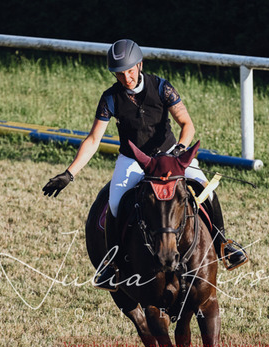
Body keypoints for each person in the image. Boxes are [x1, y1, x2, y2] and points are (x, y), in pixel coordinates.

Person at [42, 39, 247, 288]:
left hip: (170, 154)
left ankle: (224, 244)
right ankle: (112, 264)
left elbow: (187, 124)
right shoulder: (110, 98)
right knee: (115, 203)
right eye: (119, 73)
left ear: (139, 65)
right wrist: (69, 173)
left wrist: (180, 150)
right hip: (133, 160)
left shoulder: (162, 88)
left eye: (129, 71)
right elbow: (94, 139)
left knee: (206, 190)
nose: (126, 78)